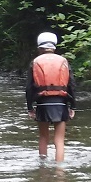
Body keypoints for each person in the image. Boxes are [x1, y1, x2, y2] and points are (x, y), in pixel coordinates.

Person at [27, 31, 76, 162]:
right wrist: (73, 106)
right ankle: (59, 170)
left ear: (39, 47)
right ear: (54, 46)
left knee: (43, 137)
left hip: (42, 103)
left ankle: (43, 169)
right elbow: (71, 85)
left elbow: (29, 88)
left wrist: (30, 108)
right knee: (59, 140)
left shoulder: (35, 62)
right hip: (61, 103)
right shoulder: (63, 61)